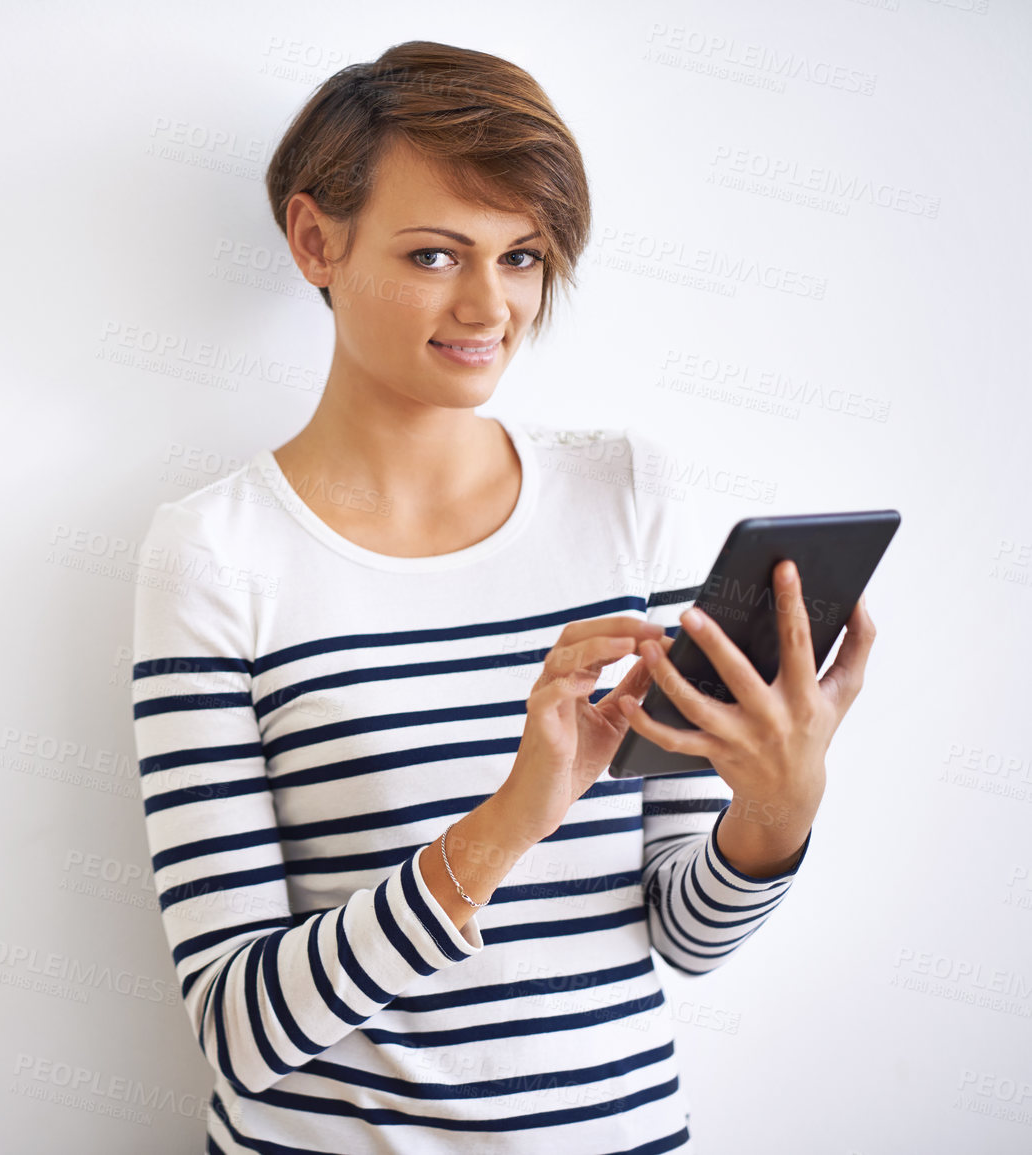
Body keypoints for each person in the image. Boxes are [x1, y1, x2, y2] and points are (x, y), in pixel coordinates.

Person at [128, 41, 876, 1153]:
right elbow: (240, 1030)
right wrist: (514, 817)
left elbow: (680, 935)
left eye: (523, 257)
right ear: (314, 240)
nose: (491, 306)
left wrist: (779, 810)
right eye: (435, 254)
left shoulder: (627, 491)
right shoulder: (217, 555)